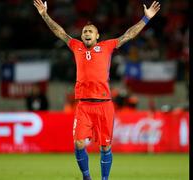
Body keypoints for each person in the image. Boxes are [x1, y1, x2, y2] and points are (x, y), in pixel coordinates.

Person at [33, 0, 160, 179]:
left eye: (90, 31)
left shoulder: (107, 46)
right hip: (83, 106)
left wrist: (145, 19)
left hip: (104, 105)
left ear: (97, 36)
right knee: (78, 143)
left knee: (105, 147)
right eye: (84, 31)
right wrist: (44, 14)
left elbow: (128, 35)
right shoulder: (76, 46)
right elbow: (59, 32)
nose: (86, 33)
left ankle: (104, 179)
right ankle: (86, 177)